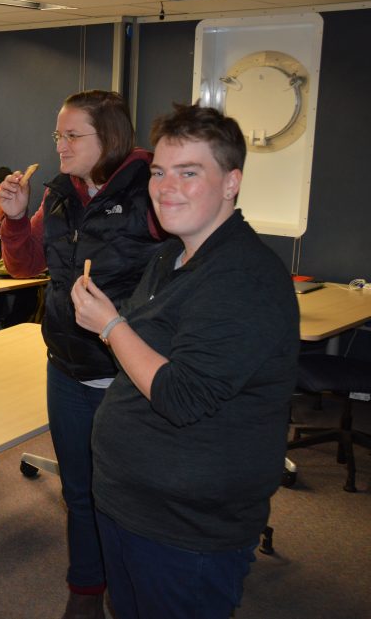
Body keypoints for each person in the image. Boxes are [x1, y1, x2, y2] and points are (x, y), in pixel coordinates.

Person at [71, 103, 299, 619]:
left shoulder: (243, 277)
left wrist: (110, 326)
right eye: (158, 172)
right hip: (129, 505)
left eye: (189, 173)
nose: (165, 187)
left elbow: (180, 395)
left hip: (186, 530)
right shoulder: (169, 257)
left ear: (231, 182)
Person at [0, 90, 162, 619]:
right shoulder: (61, 195)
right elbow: (25, 267)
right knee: (79, 491)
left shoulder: (152, 191)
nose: (61, 146)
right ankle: (86, 589)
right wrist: (18, 219)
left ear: (108, 138)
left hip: (128, 374)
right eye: (58, 136)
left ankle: (132, 590)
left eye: (73, 136)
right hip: (67, 367)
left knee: (131, 494)